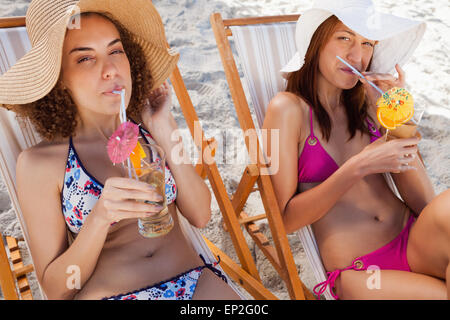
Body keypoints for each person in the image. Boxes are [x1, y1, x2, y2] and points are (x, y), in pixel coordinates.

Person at [0, 0, 240, 300]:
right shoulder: (41, 163)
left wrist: (163, 125)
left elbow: (201, 215)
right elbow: (57, 288)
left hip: (194, 284)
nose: (110, 70)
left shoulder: (151, 131)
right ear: (58, 79)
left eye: (115, 51)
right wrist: (100, 217)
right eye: (85, 59)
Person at [262, 0, 449, 299]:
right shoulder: (287, 110)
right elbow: (284, 220)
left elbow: (423, 202)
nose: (357, 56)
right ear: (316, 43)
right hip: (362, 271)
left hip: (415, 240)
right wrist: (359, 166)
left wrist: (396, 118)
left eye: (367, 43)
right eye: (344, 38)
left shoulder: (367, 103)